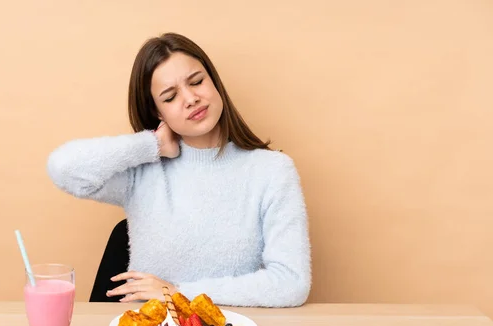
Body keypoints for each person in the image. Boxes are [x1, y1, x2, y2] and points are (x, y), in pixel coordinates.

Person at [46, 32, 311, 307]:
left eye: (197, 82)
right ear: (158, 112)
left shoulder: (272, 171)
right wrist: (151, 144)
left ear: (214, 81)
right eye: (170, 97)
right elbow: (63, 168)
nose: (191, 98)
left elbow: (291, 283)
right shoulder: (143, 171)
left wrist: (178, 293)